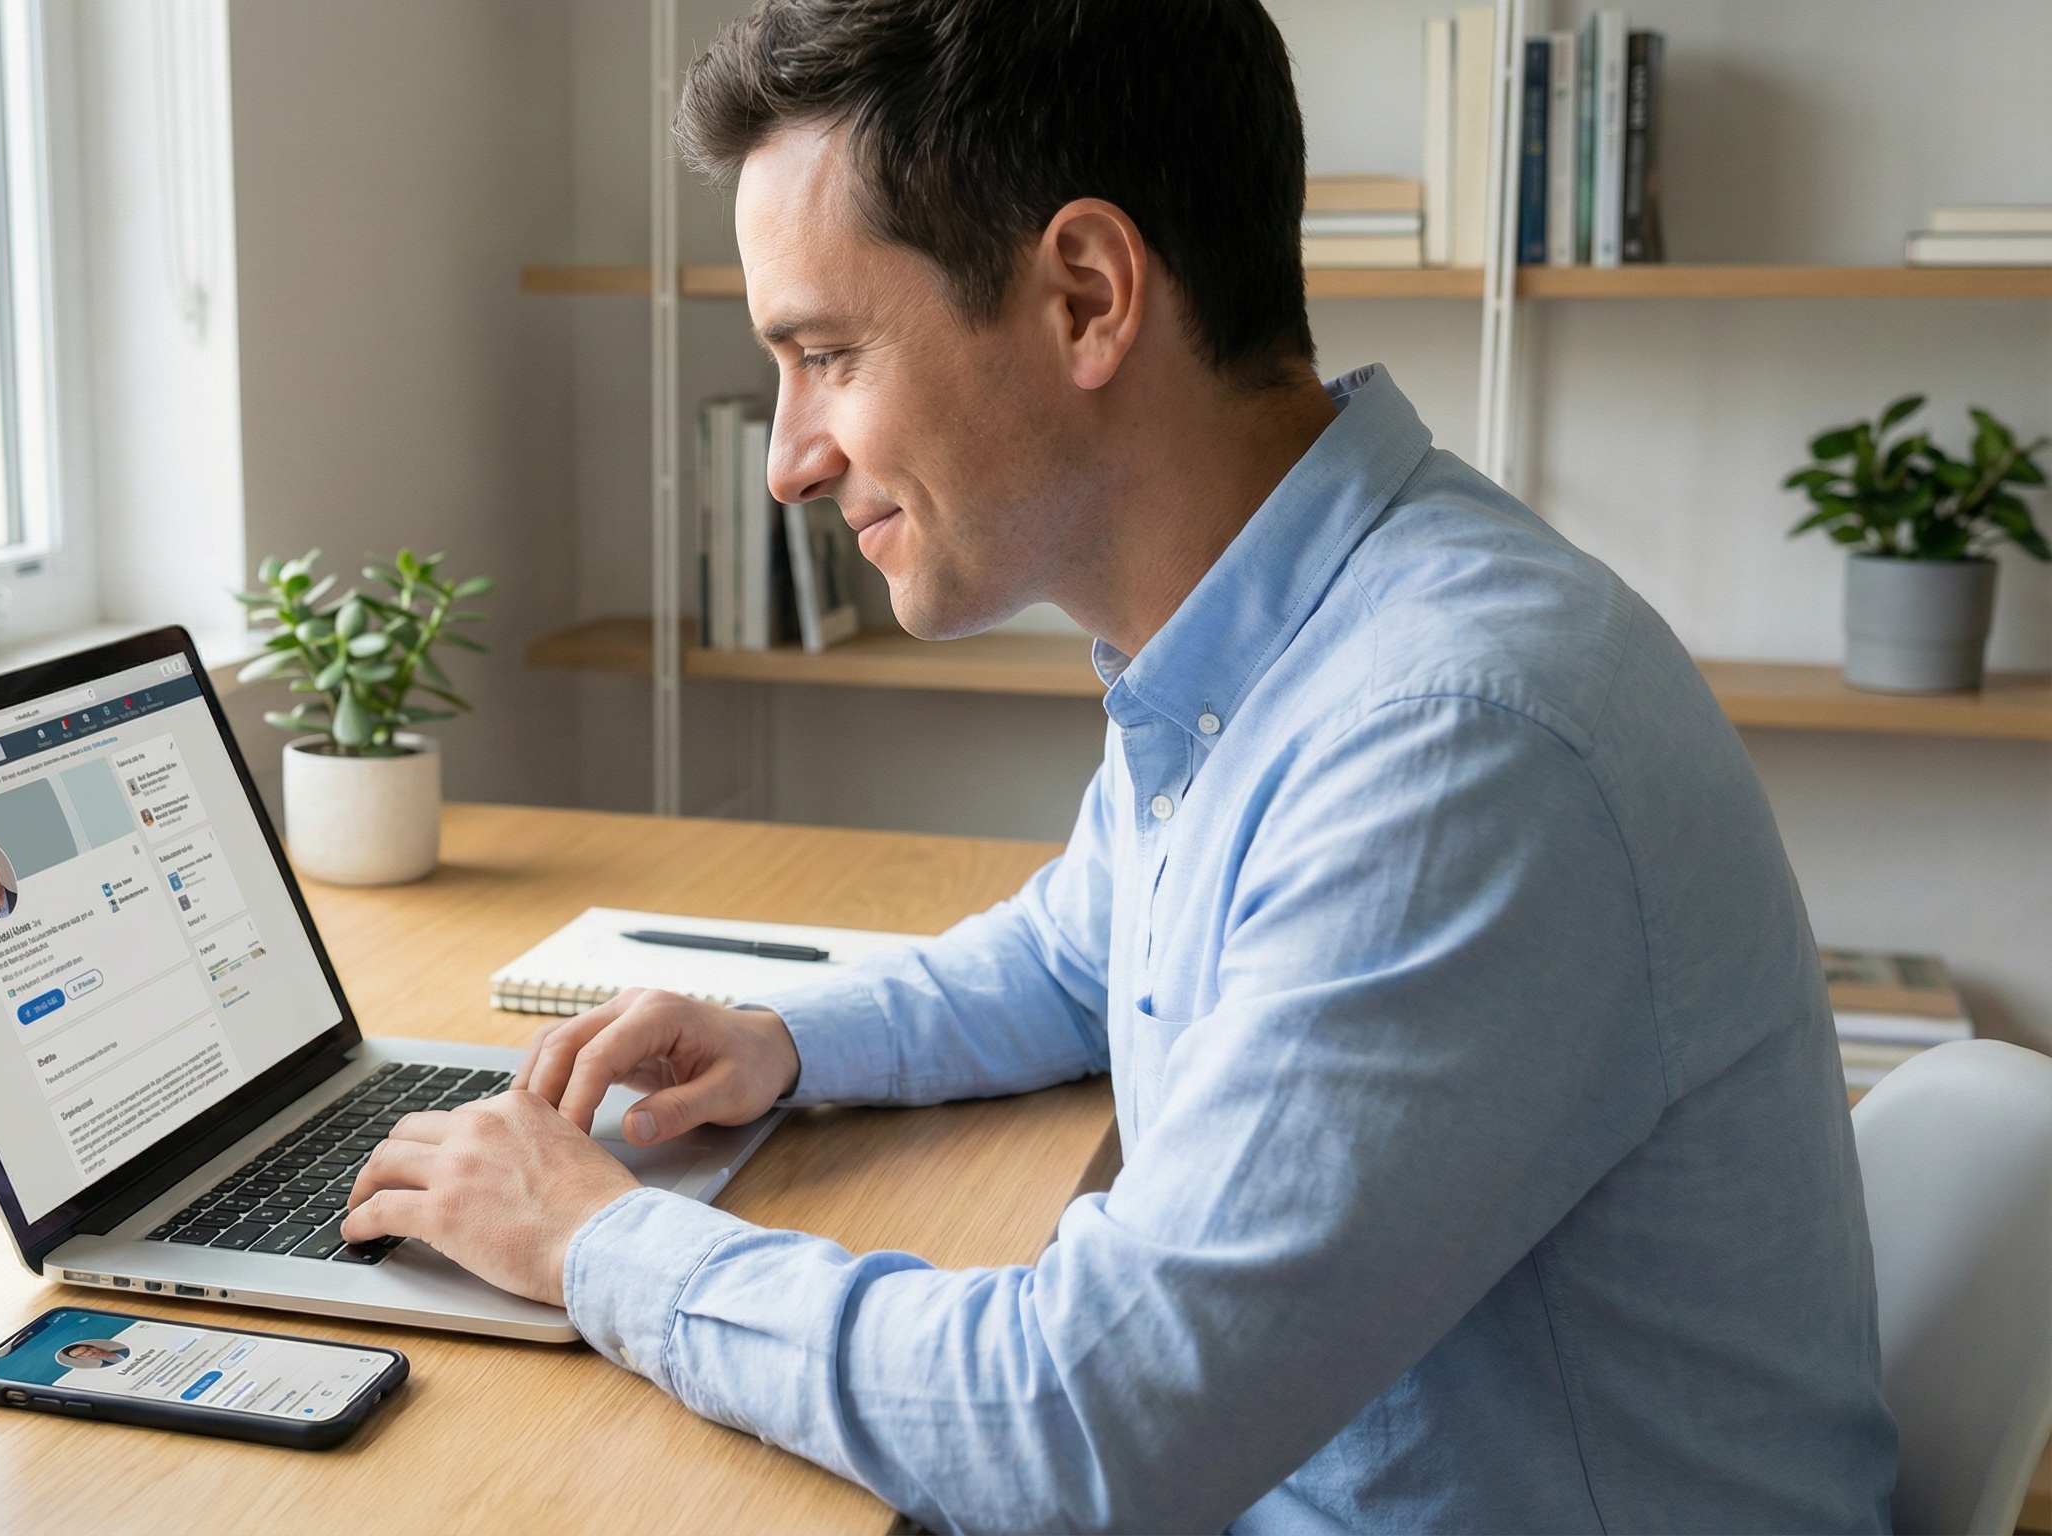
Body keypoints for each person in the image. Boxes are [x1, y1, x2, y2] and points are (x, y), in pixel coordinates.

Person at [341, 1, 1896, 1529]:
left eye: (826, 354)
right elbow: (1091, 952)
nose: (786, 457)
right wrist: (780, 1044)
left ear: (1088, 296)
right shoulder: (1276, 632)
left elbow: (1085, 1428)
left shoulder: (1450, 743)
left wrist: (596, 1243)